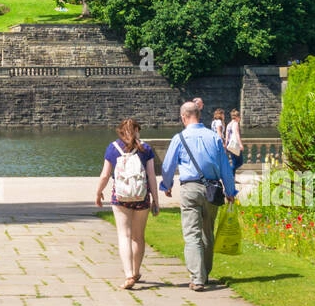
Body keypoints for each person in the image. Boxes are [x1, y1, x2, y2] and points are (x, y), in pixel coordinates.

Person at [160, 99, 236, 291]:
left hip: (190, 189)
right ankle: (205, 273)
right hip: (212, 189)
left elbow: (168, 166)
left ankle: (197, 277)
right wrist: (230, 190)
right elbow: (225, 167)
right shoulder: (214, 138)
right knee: (207, 233)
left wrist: (166, 185)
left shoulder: (179, 138)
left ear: (184, 117)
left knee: (192, 233)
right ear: (199, 116)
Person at [95, 118, 160, 290]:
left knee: (124, 235)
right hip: (141, 197)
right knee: (138, 237)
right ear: (137, 130)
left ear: (121, 131)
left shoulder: (113, 148)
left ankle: (128, 274)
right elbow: (151, 176)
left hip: (120, 197)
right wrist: (156, 200)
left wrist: (98, 192)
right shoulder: (145, 149)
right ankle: (136, 272)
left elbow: (105, 175)